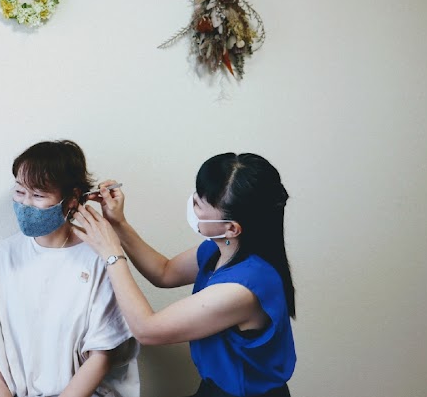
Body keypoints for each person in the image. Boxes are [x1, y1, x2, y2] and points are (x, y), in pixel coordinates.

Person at [72, 153, 296, 397]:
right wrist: (118, 224)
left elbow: (147, 330)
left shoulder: (243, 288)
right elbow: (164, 272)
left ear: (232, 228)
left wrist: (111, 253)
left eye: (199, 204)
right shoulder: (220, 248)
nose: (192, 204)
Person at [0, 140, 139, 397]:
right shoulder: (4, 255)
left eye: (38, 195)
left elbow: (102, 355)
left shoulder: (99, 256)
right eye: (20, 191)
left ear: (71, 199)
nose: (26, 204)